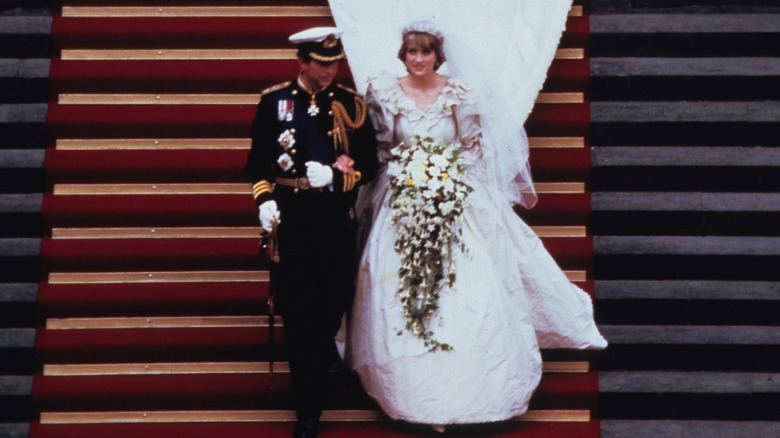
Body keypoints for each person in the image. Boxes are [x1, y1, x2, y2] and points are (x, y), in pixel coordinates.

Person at [344, 21, 607, 429]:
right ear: (403, 54)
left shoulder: (459, 92)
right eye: (411, 52)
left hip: (455, 197)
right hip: (401, 199)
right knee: (398, 289)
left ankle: (470, 388)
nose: (418, 60)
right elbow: (383, 150)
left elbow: (471, 148)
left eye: (426, 52)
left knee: (468, 290)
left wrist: (443, 179)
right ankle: (413, 393)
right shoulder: (384, 91)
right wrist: (410, 179)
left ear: (438, 55)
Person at [244, 26, 378, 438]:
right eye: (321, 63)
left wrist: (337, 182)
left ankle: (314, 379)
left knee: (329, 310)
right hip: (293, 225)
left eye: (334, 62)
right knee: (298, 317)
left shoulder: (350, 105)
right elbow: (257, 164)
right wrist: (263, 201)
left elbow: (370, 164)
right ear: (302, 62)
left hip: (335, 224)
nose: (328, 70)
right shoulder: (275, 102)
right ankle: (307, 412)